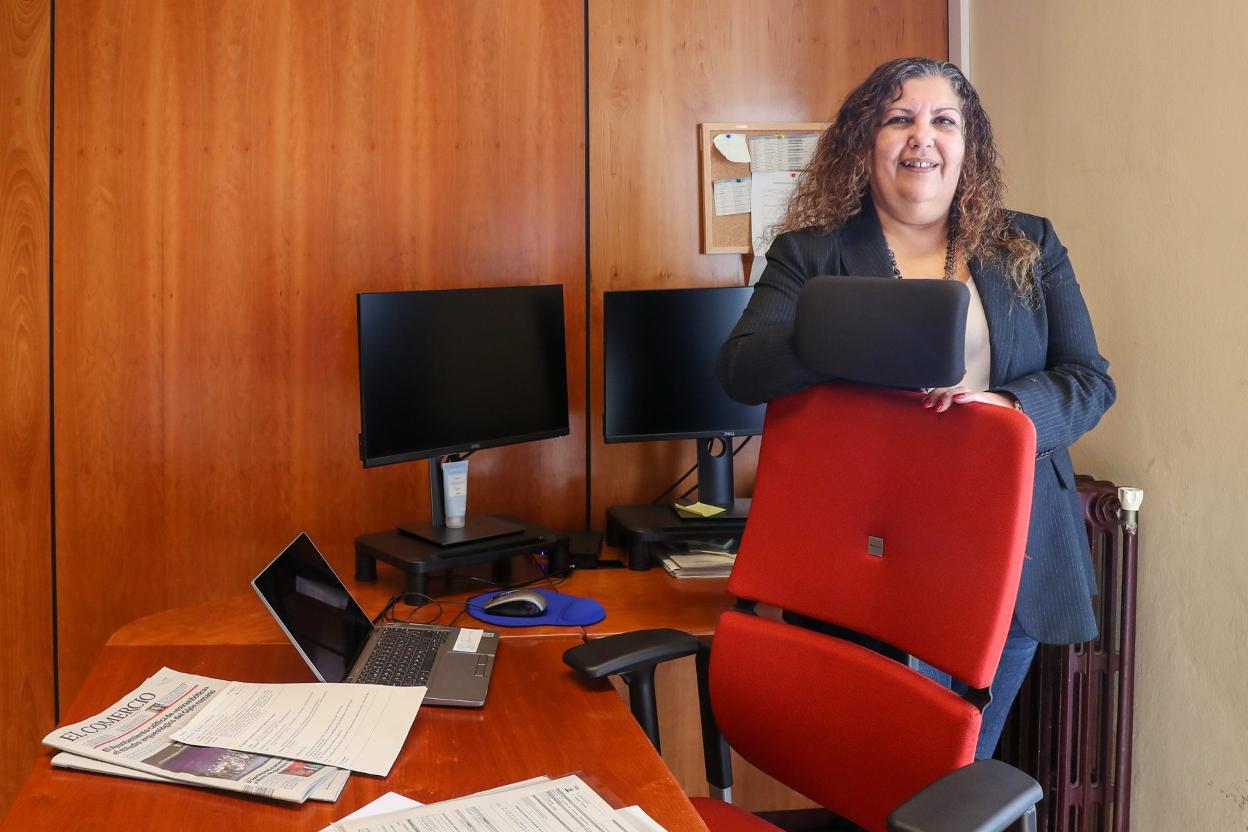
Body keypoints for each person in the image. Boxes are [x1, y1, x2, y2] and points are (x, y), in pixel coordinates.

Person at [715, 57, 1116, 759]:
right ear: (864, 141)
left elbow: (1089, 380)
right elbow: (742, 370)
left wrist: (1002, 407)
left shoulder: (1030, 243)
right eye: (897, 119)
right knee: (876, 773)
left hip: (1011, 559)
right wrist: (838, 336)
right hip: (875, 560)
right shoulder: (811, 257)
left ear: (969, 144)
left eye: (942, 121)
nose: (919, 138)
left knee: (959, 774)